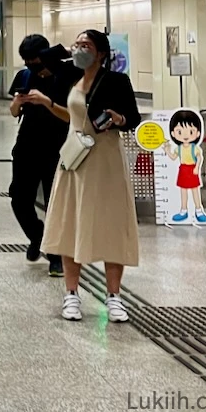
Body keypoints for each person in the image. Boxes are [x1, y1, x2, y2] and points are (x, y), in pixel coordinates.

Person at [37, 29, 140, 323]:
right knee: (72, 222)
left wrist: (118, 119)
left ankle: (114, 296)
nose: (81, 49)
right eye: (78, 44)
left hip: (105, 158)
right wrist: (71, 52)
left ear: (102, 53)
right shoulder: (70, 76)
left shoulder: (117, 80)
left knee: (111, 223)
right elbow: (47, 59)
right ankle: (71, 294)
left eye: (87, 45)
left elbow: (132, 118)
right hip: (74, 157)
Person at [8, 34, 69, 277]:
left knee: (55, 203)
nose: (32, 65)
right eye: (27, 60)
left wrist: (46, 102)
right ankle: (37, 236)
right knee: (19, 199)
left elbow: (73, 115)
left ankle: (56, 257)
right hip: (27, 146)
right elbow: (14, 112)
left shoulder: (66, 76)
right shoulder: (24, 76)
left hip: (58, 148)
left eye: (35, 60)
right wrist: (17, 102)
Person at [165, 109, 206, 225]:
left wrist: (197, 168)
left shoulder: (195, 148)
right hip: (183, 170)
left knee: (195, 191)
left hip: (192, 169)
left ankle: (198, 210)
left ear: (197, 133)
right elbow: (174, 157)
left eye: (190, 131)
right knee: (183, 191)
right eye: (180, 132)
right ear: (173, 133)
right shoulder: (178, 148)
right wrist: (167, 150)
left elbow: (199, 158)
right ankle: (183, 211)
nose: (185, 136)